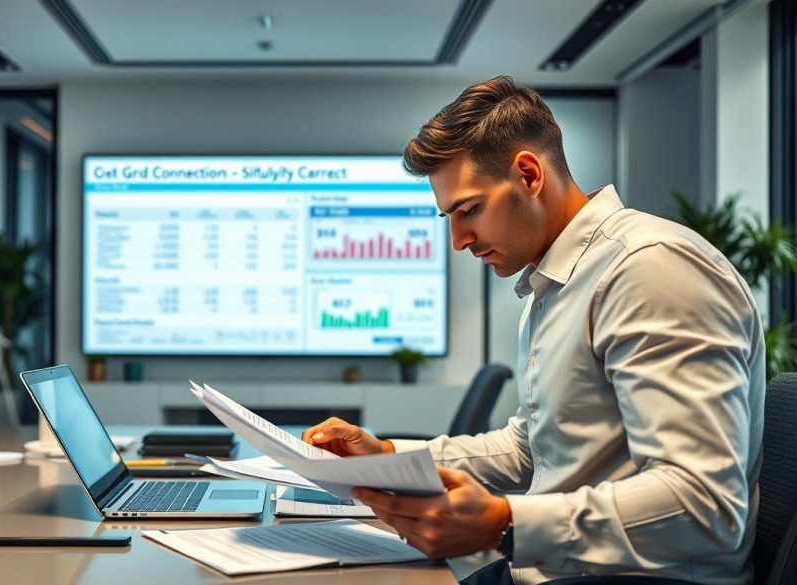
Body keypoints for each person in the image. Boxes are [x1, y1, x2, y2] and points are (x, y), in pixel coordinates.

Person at [302, 76, 765, 585]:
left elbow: (706, 504)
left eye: (469, 210)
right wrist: (388, 458)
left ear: (528, 174)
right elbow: (533, 448)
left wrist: (506, 523)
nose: (458, 240)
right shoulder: (557, 282)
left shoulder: (647, 269)